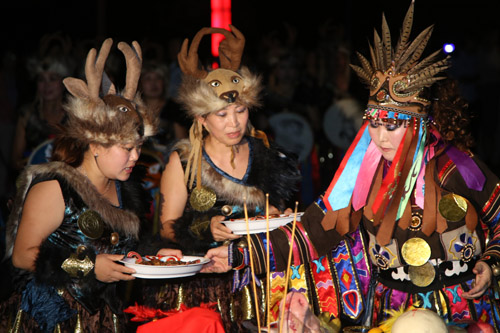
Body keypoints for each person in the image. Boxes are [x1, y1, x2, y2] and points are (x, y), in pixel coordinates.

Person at [203, 3, 500, 331]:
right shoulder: (364, 174)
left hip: (463, 310)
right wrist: (240, 255)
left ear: (420, 124)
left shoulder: (459, 168)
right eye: (374, 123)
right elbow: (313, 231)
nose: (381, 137)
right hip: (390, 315)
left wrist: (491, 264)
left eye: (393, 125)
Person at [0, 38, 182, 332]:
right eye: (126, 147)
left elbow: (126, 245)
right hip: (50, 316)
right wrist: (89, 266)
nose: (136, 156)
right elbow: (22, 255)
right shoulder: (56, 188)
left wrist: (153, 255)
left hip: (103, 315)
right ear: (95, 144)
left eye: (138, 146)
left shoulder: (127, 188)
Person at [140, 25, 301, 332]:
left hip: (259, 280)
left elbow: (276, 211)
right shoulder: (184, 161)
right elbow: (166, 227)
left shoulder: (263, 150)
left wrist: (281, 216)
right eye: (221, 115)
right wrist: (207, 227)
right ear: (201, 118)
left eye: (239, 111)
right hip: (205, 287)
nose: (234, 123)